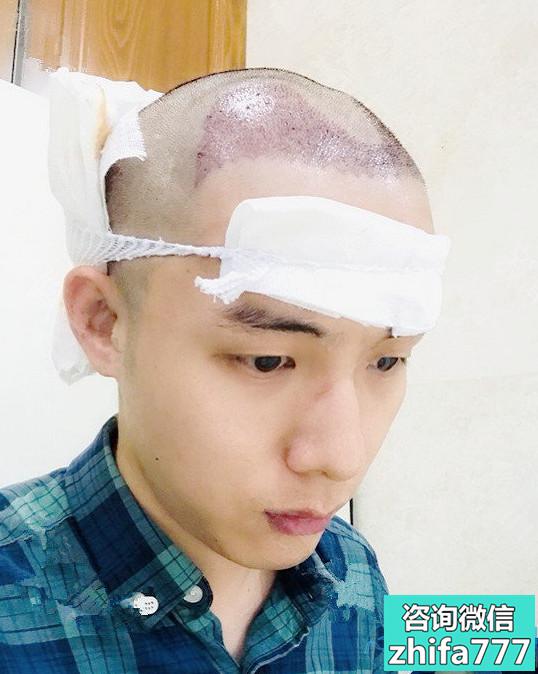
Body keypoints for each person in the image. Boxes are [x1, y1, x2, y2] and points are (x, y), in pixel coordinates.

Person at [0, 66, 447, 673]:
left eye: (386, 360)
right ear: (104, 322)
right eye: (268, 361)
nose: (341, 458)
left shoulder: (349, 570)